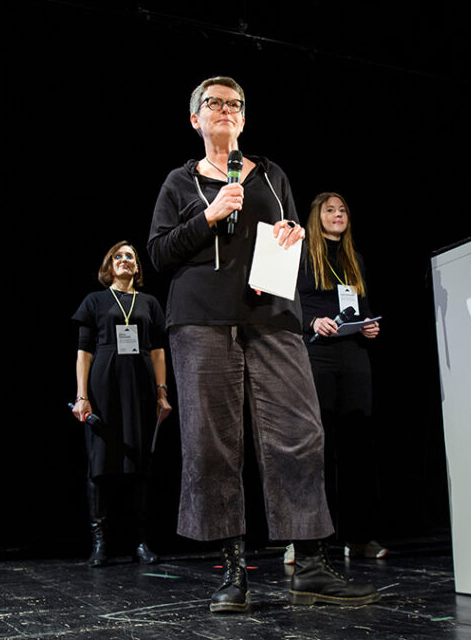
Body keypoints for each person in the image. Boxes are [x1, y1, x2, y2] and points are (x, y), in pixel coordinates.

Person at [148, 76, 380, 613]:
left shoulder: (273, 174)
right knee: (214, 445)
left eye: (234, 104)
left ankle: (312, 564)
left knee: (300, 433)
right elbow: (158, 253)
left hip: (272, 315)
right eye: (213, 103)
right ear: (195, 120)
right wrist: (206, 217)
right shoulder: (180, 182)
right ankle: (233, 571)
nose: (224, 110)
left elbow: (289, 228)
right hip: (201, 321)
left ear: (244, 120)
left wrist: (294, 233)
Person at [291, 192, 386, 564]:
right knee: (316, 450)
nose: (338, 214)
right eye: (330, 210)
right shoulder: (300, 255)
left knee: (356, 449)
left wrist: (368, 326)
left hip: (354, 357)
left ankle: (359, 537)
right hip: (317, 354)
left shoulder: (354, 258)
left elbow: (358, 307)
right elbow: (284, 303)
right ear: (317, 216)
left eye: (343, 209)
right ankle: (305, 540)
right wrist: (311, 322)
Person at [71, 242, 172, 567]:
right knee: (100, 466)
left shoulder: (149, 302)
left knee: (140, 466)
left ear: (137, 267)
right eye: (118, 256)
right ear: (108, 265)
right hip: (104, 386)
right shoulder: (95, 300)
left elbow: (158, 350)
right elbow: (84, 352)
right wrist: (82, 395)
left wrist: (161, 391)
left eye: (130, 256)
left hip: (140, 387)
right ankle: (100, 544)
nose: (125, 260)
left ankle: (140, 542)